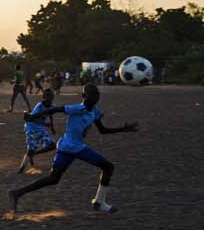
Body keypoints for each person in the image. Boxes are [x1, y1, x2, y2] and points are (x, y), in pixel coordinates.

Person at [9, 84, 139, 214]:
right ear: (84, 96)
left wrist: (122, 129)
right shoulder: (77, 109)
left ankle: (17, 193)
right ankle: (99, 203)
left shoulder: (95, 111)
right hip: (72, 147)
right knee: (108, 167)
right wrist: (33, 116)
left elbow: (102, 130)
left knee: (54, 178)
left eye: (96, 95)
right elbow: (54, 110)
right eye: (92, 94)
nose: (95, 97)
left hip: (68, 146)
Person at [17, 88, 60, 173]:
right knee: (30, 150)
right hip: (31, 127)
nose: (49, 100)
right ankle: (22, 168)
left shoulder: (52, 106)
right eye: (48, 97)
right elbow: (33, 117)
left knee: (52, 145)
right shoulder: (40, 105)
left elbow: (50, 114)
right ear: (44, 97)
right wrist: (27, 116)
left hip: (40, 127)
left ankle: (34, 154)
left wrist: (52, 126)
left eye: (50, 97)